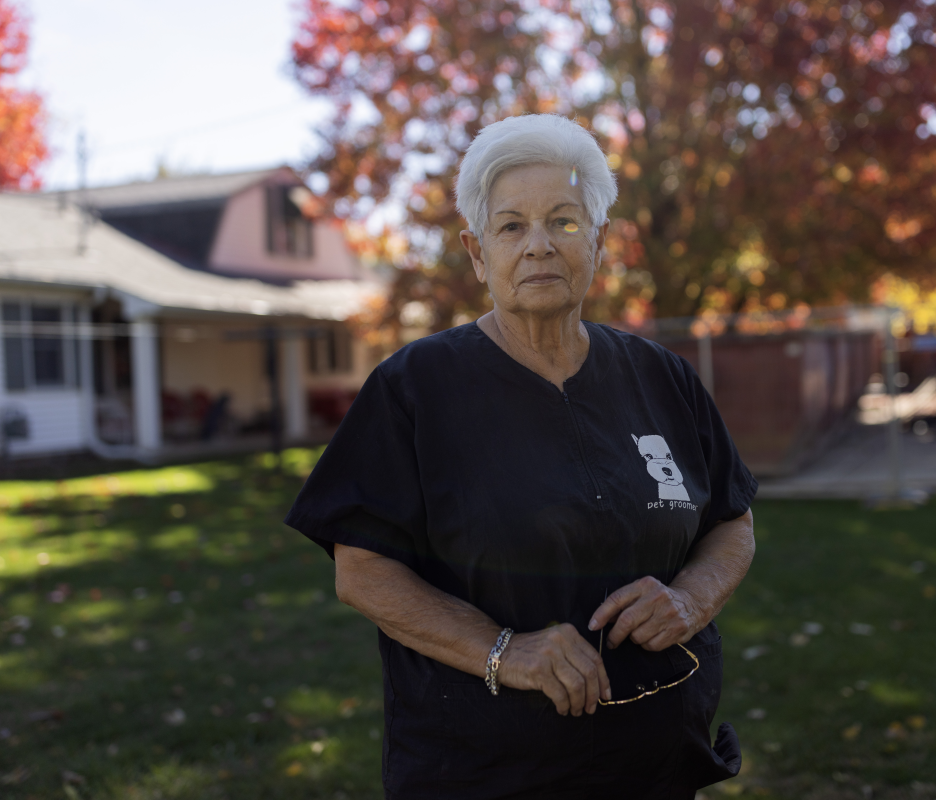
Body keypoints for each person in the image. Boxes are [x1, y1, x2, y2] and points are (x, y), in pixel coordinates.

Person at [285, 113, 757, 799]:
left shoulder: (663, 378)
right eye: (512, 227)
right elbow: (362, 572)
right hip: (484, 771)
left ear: (597, 241)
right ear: (478, 254)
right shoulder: (415, 389)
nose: (538, 245)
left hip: (657, 765)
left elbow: (731, 521)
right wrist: (506, 652)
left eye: (564, 222)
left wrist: (690, 599)